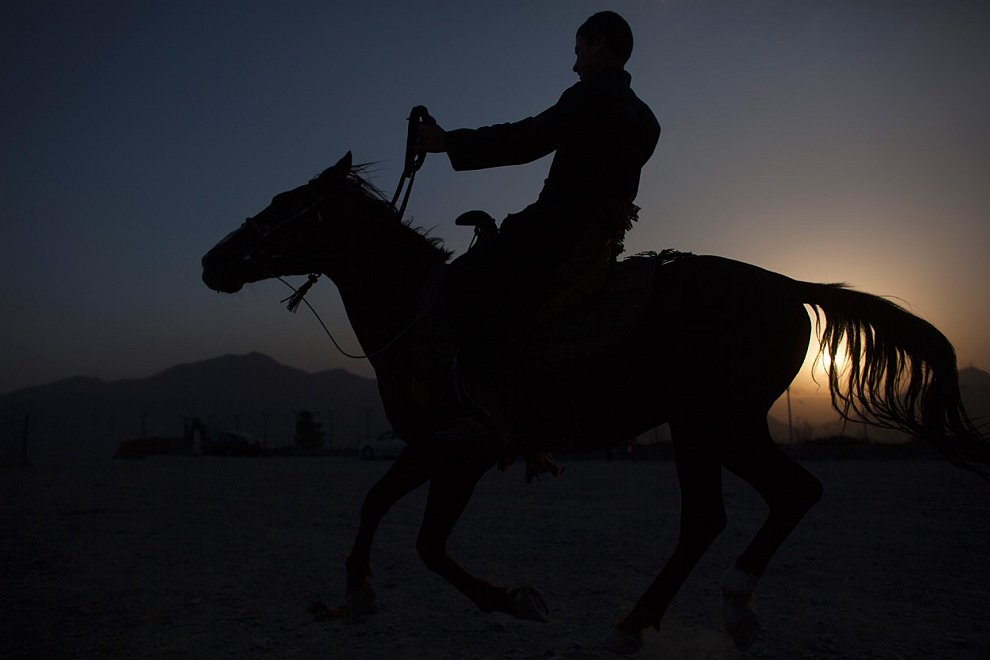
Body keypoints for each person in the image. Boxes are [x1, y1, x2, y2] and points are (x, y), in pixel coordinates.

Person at [417, 11, 661, 449]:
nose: (575, 63)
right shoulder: (647, 119)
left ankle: (487, 412)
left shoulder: (590, 96)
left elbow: (527, 139)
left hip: (555, 235)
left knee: (462, 280)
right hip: (600, 244)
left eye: (579, 50)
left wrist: (447, 141)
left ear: (599, 45)